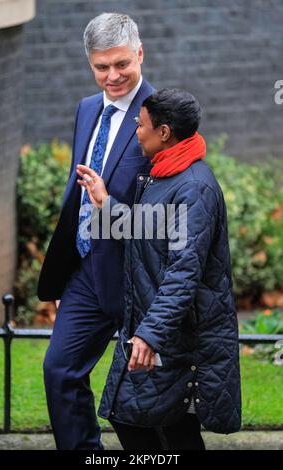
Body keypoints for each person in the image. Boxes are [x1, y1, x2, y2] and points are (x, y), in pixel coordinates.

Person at [77, 88, 242, 450]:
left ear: (164, 133)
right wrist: (105, 202)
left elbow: (184, 272)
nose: (136, 131)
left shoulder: (194, 187)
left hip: (177, 336)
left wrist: (150, 334)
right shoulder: (163, 176)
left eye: (141, 125)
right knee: (149, 423)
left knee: (160, 427)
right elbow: (148, 230)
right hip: (157, 328)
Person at [37, 13, 154, 450]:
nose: (113, 76)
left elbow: (174, 207)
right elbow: (77, 193)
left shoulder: (162, 115)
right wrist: (68, 267)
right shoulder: (87, 109)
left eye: (122, 64)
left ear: (140, 53)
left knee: (147, 403)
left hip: (139, 277)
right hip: (87, 272)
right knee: (60, 371)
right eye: (101, 67)